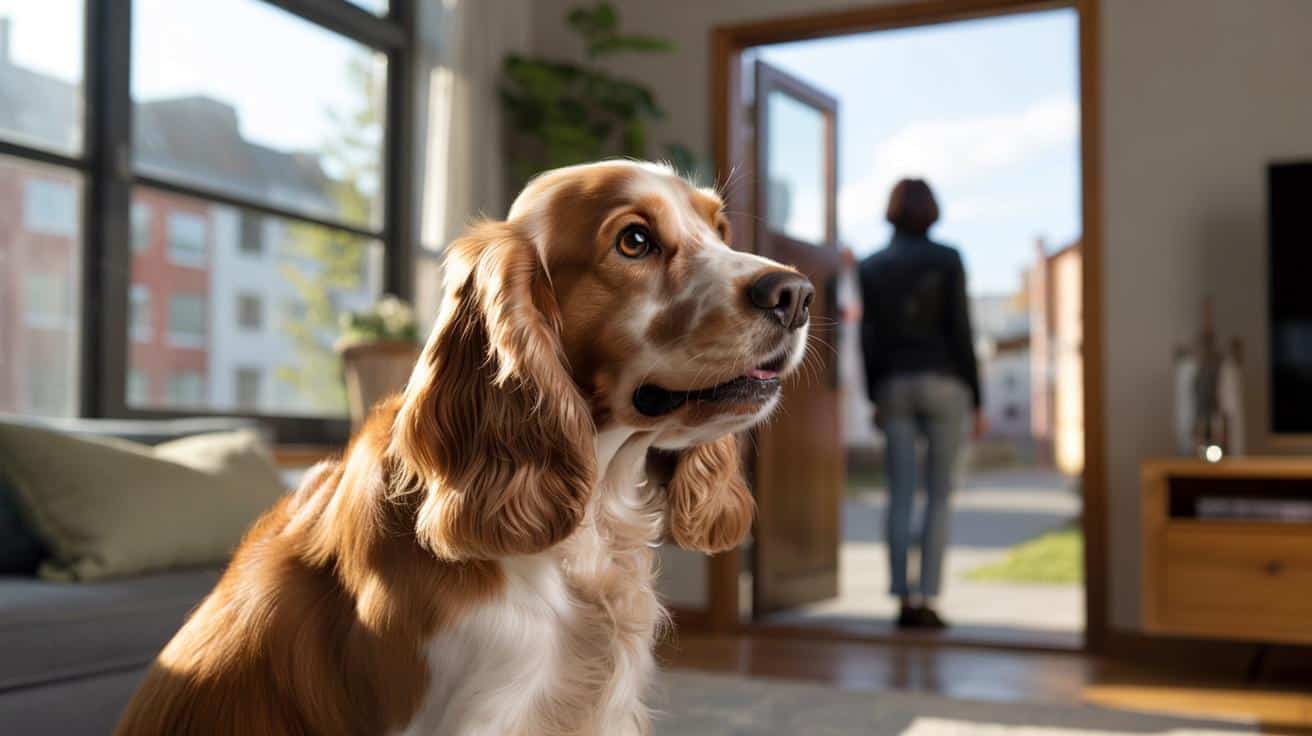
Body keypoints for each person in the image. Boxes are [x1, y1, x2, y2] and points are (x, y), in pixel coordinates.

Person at [857, 178, 985, 630]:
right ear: (931, 210)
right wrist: (978, 399)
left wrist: (874, 394)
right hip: (946, 384)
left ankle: (902, 599)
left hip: (894, 387)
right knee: (938, 495)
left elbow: (868, 337)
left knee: (900, 495)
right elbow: (962, 330)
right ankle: (928, 596)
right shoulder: (948, 259)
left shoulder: (872, 266)